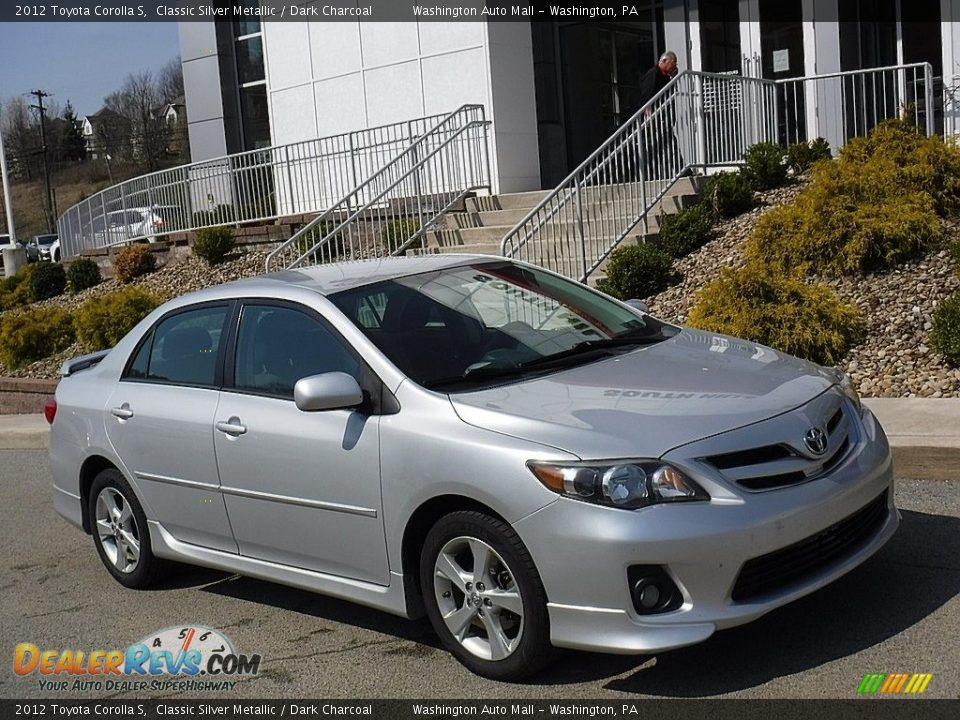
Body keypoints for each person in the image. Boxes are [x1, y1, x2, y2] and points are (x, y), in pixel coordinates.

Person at [636, 51, 686, 179]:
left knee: (666, 142)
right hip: (656, 117)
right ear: (664, 61)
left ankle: (678, 169)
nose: (674, 67)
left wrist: (673, 77)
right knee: (667, 142)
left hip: (663, 116)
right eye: (673, 63)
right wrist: (649, 113)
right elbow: (646, 94)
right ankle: (680, 170)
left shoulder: (664, 76)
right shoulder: (654, 74)